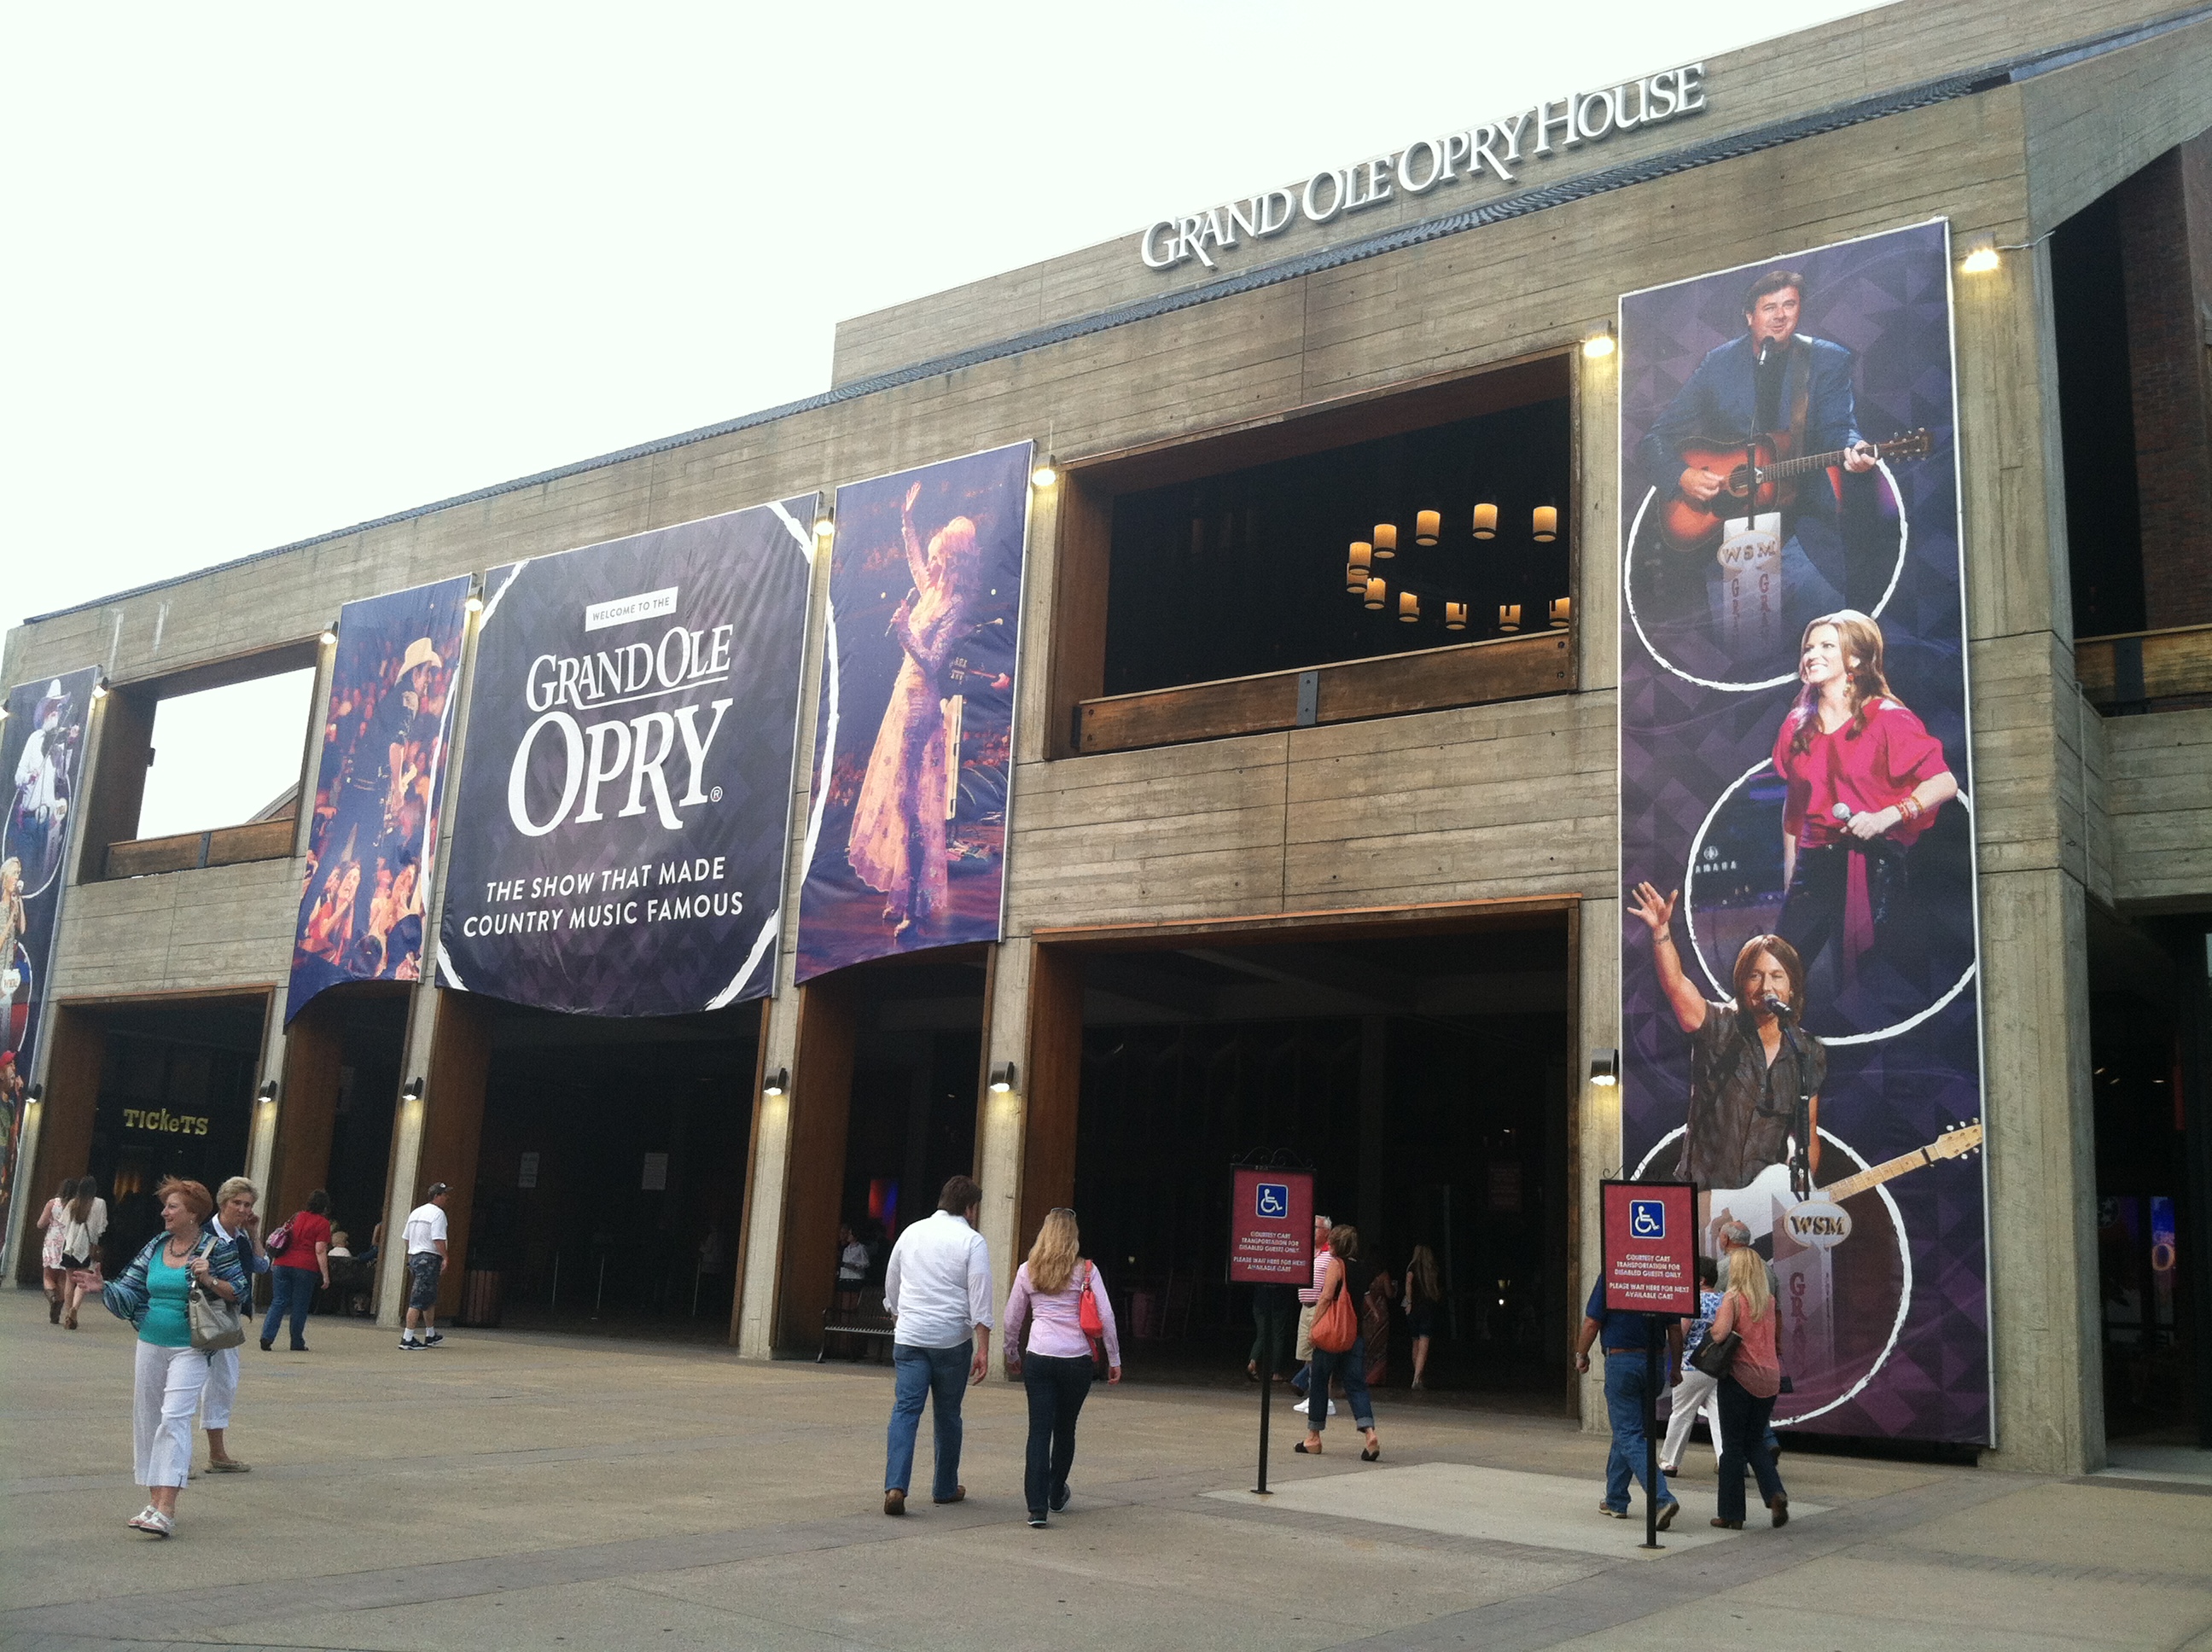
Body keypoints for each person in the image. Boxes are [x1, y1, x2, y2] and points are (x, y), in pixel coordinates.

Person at [1637, 267, 1881, 636]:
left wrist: (1854, 450)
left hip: (1803, 527)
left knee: (1827, 640)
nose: (1780, 315)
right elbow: (1655, 440)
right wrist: (1682, 476)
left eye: (1789, 305)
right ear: (1750, 316)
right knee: (1749, 647)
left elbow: (1838, 428)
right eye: (1769, 307)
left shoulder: (1827, 359)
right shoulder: (1718, 363)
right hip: (1732, 529)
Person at [1773, 612, 1960, 1006]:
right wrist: (1791, 878)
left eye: (1826, 646)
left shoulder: (1887, 718)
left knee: (1868, 982)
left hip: (1874, 862)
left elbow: (1944, 782)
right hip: (1814, 864)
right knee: (1779, 971)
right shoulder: (1796, 725)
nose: (1812, 654)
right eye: (1808, 647)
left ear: (1855, 659)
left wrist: (1886, 816)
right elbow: (1795, 808)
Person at [1627, 887, 1826, 1234]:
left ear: (1792, 987)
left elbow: (1806, 1132)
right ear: (1741, 983)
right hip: (1702, 1201)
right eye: (1755, 975)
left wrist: (1798, 1187)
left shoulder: (1806, 1051)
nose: (1766, 986)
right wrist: (1661, 933)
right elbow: (1676, 985)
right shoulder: (1717, 1025)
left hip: (1762, 1214)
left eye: (1777, 976)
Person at [846, 482, 991, 938]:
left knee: (910, 803)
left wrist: (905, 632)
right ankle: (903, 895)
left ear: (950, 561)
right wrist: (906, 519)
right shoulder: (931, 591)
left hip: (921, 702)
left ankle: (915, 905)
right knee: (900, 800)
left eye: (936, 557)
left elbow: (933, 662)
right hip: (902, 696)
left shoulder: (955, 604)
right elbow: (912, 557)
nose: (929, 562)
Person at [100, 1177, 249, 1537]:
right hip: (150, 1341)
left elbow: (239, 1291)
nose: (164, 1213)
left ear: (193, 1213)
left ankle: (167, 1508)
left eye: (172, 1207)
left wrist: (210, 1280)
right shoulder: (156, 1245)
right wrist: (101, 1287)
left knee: (174, 1418)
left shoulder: (216, 1248)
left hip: (192, 1346)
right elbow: (130, 1287)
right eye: (165, 1206)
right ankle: (154, 1502)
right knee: (148, 1419)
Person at [1002, 1207, 1122, 1527]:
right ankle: (1056, 1493)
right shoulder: (1086, 1271)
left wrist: (1011, 1352)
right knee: (1065, 1428)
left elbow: (1012, 1318)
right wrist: (1114, 1358)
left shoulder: (1028, 1270)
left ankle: (1036, 1508)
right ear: (1073, 1236)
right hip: (1076, 1359)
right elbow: (1107, 1317)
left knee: (1038, 1432)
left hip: (1039, 1356)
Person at [880, 1174, 992, 1516]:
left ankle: (896, 1486)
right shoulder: (972, 1242)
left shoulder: (911, 1232)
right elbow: (980, 1295)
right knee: (948, 1414)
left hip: (910, 1337)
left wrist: (899, 1317)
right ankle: (944, 1487)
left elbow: (892, 1282)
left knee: (905, 1410)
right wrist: (984, 1348)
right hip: (951, 1340)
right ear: (970, 1208)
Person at [1573, 1269, 1680, 1527]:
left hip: (1622, 1361)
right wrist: (1675, 1367)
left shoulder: (1615, 1272)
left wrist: (1581, 1354)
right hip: (1655, 1362)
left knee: (1629, 1433)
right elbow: (1675, 1329)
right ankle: (1615, 1499)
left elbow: (1592, 1322)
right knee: (1628, 1431)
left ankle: (1662, 1498)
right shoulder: (1663, 1272)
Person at [1710, 1245, 1790, 1529]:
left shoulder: (1732, 1298)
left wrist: (1711, 1328)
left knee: (1732, 1446)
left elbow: (1720, 1334)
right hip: (1770, 1378)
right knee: (1755, 1440)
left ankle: (1731, 1514)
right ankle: (1774, 1493)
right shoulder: (1768, 1301)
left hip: (1740, 1376)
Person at [1298, 1224, 1381, 1462]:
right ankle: (1369, 1433)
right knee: (1356, 1385)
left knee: (1319, 1381)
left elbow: (1326, 1297)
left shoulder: (1336, 1265)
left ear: (1336, 1243)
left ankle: (1313, 1437)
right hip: (1354, 1334)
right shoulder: (1362, 1268)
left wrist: (1315, 1327)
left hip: (1332, 1334)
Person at [201, 1178, 267, 1473]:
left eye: (248, 1205)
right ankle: (176, 1456)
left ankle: (217, 1453)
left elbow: (262, 1266)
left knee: (223, 1382)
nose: (242, 1209)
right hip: (203, 1315)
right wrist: (217, 1284)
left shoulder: (240, 1237)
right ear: (223, 1202)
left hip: (229, 1318)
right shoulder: (205, 1235)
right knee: (187, 1384)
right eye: (236, 1203)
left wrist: (254, 1234)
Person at [1659, 1257, 1725, 1475]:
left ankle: (1670, 1462)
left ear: (1701, 1280)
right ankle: (1726, 1459)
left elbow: (1682, 1332)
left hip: (1691, 1364)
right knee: (1719, 1415)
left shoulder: (1691, 1301)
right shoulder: (1725, 1300)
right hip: (1718, 1364)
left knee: (1682, 1413)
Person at [264, 1190, 331, 1352]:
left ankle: (267, 1336)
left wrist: (275, 1260)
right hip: (305, 1267)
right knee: (300, 1304)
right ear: (325, 1206)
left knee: (279, 1300)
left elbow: (282, 1238)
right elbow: (320, 1250)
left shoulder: (296, 1217)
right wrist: (325, 1275)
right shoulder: (323, 1223)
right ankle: (296, 1341)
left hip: (282, 1263)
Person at [1290, 1212, 1336, 1417]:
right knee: (1307, 1354)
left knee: (1321, 1355)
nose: (1311, 1231)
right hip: (1306, 1307)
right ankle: (1313, 1396)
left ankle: (1325, 1400)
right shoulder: (1309, 1252)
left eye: (1316, 1228)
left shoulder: (1331, 1254)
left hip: (1320, 1307)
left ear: (1327, 1232)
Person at [399, 1183, 452, 1349]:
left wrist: (411, 1253)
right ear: (437, 1196)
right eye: (444, 1194)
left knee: (428, 1296)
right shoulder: (438, 1214)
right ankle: (408, 1337)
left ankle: (430, 1334)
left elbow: (406, 1237)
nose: (447, 1197)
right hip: (429, 1257)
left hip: (416, 1256)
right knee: (418, 1298)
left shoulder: (416, 1212)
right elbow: (438, 1238)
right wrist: (445, 1257)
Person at [60, 1174, 110, 1329]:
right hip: (87, 1247)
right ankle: (75, 1309)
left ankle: (68, 1313)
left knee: (70, 1280)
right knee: (83, 1280)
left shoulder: (72, 1203)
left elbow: (63, 1224)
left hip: (70, 1247)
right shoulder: (99, 1203)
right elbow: (102, 1226)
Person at [38, 1176, 77, 1324]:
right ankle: (58, 1310)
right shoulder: (76, 1205)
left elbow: (40, 1224)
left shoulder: (53, 1203)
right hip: (68, 1242)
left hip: (53, 1241)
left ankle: (53, 1299)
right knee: (63, 1277)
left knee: (48, 1275)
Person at [1402, 1244, 1442, 1391]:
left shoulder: (1412, 1267)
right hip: (1427, 1308)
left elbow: (1408, 1283)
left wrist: (1409, 1302)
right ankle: (1417, 1378)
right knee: (1424, 1344)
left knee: (1415, 1342)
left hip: (1414, 1308)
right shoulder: (1431, 1269)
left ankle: (1417, 1375)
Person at [1247, 1280, 1296, 1384]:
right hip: (1279, 1302)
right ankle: (1276, 1373)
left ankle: (1253, 1362)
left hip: (1260, 1301)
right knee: (1278, 1336)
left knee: (1261, 1335)